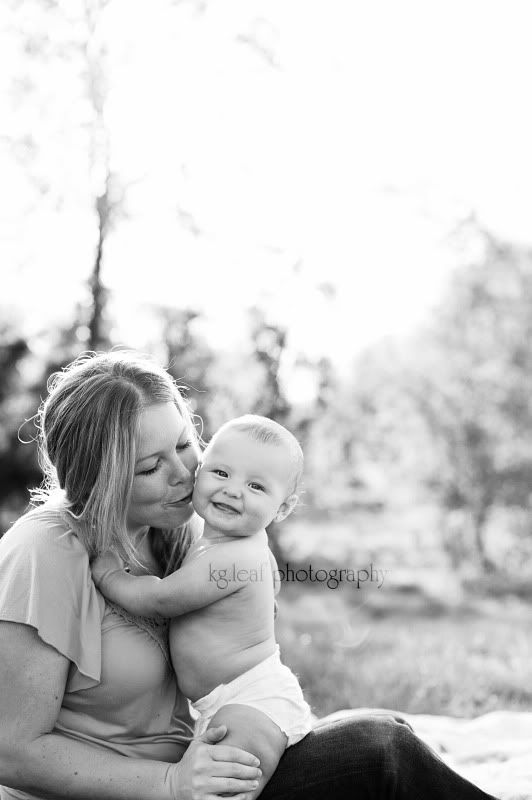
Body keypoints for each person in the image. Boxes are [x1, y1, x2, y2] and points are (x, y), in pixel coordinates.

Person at [0, 350, 500, 800]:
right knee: (380, 750)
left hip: (207, 770)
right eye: (151, 466)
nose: (183, 473)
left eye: (184, 444)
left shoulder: (181, 529)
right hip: (152, 791)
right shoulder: (45, 552)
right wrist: (168, 784)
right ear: (97, 477)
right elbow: (13, 752)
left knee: (386, 731)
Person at [92, 415, 313, 799]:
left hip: (251, 700)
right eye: (221, 472)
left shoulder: (233, 557)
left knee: (224, 785)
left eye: (256, 486)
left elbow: (161, 599)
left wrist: (112, 576)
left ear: (282, 508)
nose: (232, 491)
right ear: (199, 471)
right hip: (225, 701)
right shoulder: (228, 546)